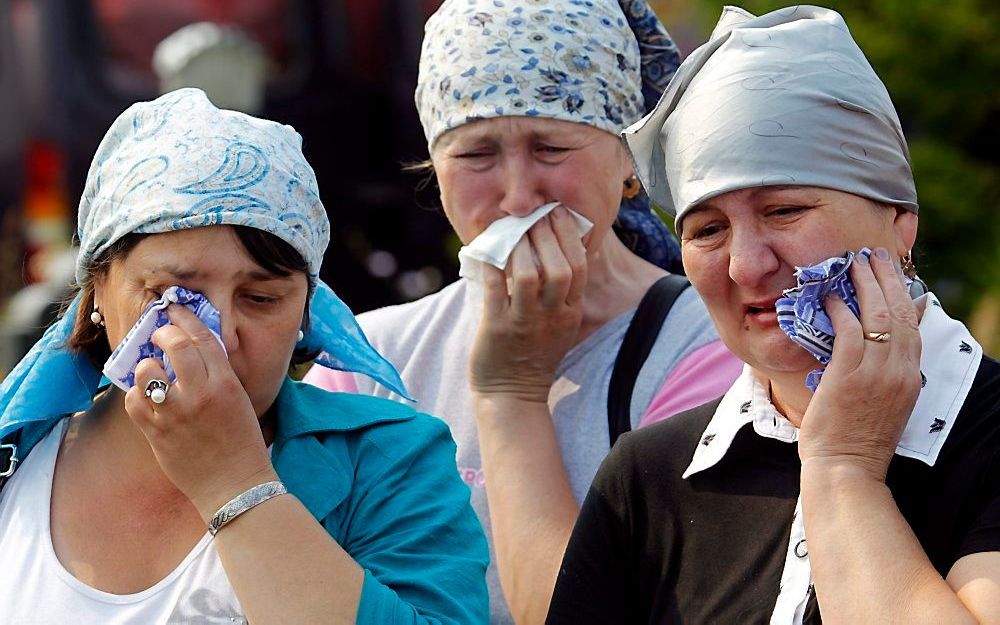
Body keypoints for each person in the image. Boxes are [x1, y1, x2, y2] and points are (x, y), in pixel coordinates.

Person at [546, 6, 1000, 624]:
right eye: (707, 229)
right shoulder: (647, 481)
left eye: (784, 210)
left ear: (900, 225)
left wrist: (844, 470)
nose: (745, 266)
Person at [305, 1, 742, 622]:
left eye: (550, 146)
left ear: (628, 163)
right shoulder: (368, 364)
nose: (517, 194)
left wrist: (511, 391)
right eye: (476, 154)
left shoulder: (711, 352)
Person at [0, 88, 488, 625]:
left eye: (261, 299)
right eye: (174, 295)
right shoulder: (16, 461)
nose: (223, 337)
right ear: (96, 293)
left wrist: (233, 483)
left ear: (305, 313)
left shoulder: (390, 459)